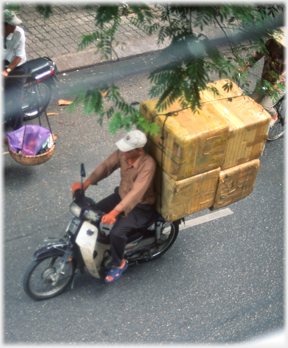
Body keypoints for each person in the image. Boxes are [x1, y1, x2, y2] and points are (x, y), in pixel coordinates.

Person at [71, 130, 157, 283]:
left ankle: (119, 263)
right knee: (92, 212)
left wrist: (114, 213)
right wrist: (87, 183)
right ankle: (102, 239)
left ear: (139, 150)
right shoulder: (123, 154)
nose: (123, 152)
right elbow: (106, 166)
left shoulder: (148, 164)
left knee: (117, 233)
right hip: (121, 195)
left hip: (140, 205)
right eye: (123, 148)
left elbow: (136, 193)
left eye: (128, 150)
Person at [240, 27, 286, 127]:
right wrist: (245, 66)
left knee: (265, 105)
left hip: (279, 84)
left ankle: (274, 115)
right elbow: (257, 55)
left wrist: (274, 87)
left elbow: (284, 75)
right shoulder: (269, 44)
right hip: (266, 79)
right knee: (253, 101)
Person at [3, 9, 27, 130]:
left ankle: (18, 132)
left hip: (17, 68)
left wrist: (7, 71)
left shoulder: (19, 33)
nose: (15, 27)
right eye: (12, 24)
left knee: (15, 102)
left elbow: (19, 56)